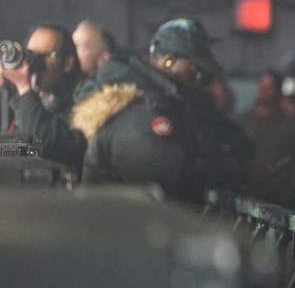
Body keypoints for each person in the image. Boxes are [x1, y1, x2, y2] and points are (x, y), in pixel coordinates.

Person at [70, 17, 250, 203]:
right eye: (195, 72)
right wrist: (235, 170)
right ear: (169, 61)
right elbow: (176, 176)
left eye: (204, 77)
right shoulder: (140, 104)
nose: (199, 82)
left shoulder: (166, 100)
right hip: (115, 227)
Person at [0, 24, 86, 171]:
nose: (36, 62)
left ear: (67, 63)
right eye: (31, 54)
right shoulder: (19, 97)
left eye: (48, 55)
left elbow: (42, 144)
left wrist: (24, 88)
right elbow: (17, 150)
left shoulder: (84, 101)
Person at [238, 70, 295, 207]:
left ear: (278, 90)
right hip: (245, 197)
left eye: (269, 86)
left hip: (278, 202)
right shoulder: (242, 122)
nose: (264, 90)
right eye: (262, 85)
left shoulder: (290, 127)